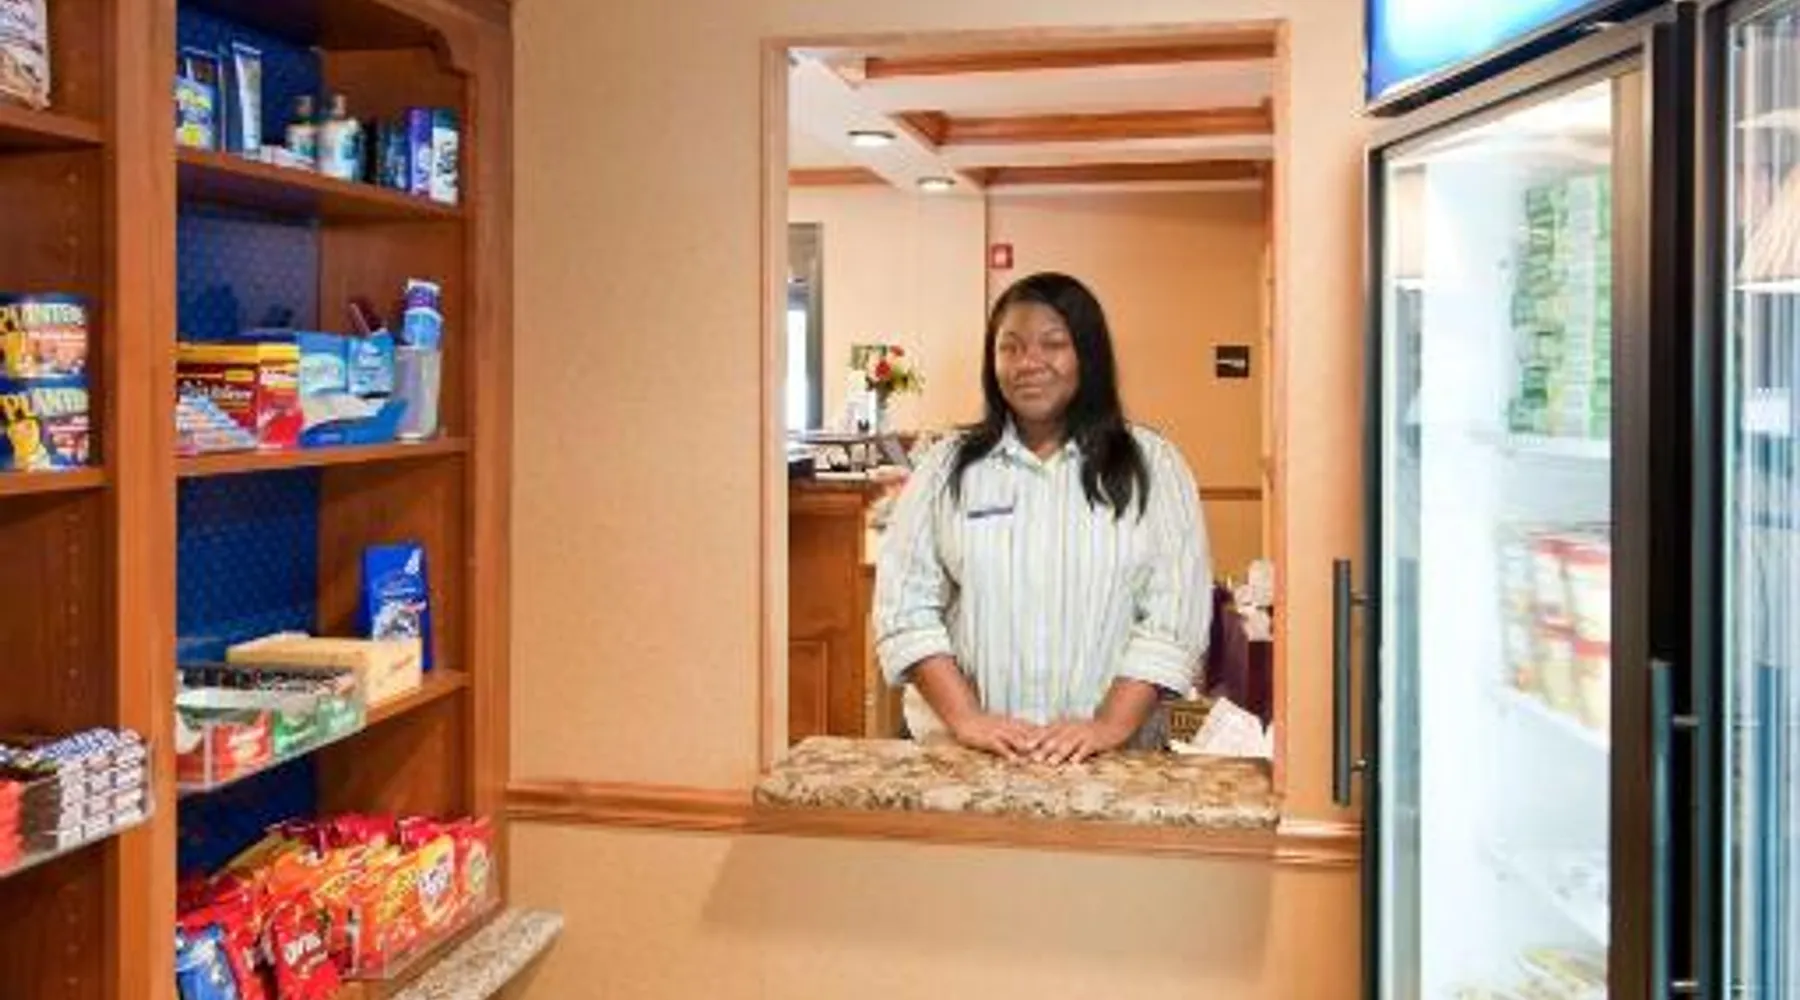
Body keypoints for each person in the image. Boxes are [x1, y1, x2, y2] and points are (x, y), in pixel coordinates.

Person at [872, 272, 1213, 765]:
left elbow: (1174, 618)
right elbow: (905, 608)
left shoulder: (1154, 466)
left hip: (1110, 761)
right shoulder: (947, 467)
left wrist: (1108, 726)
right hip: (967, 758)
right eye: (1010, 347)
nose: (1028, 363)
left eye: (1053, 344)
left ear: (1088, 356)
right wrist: (968, 719)